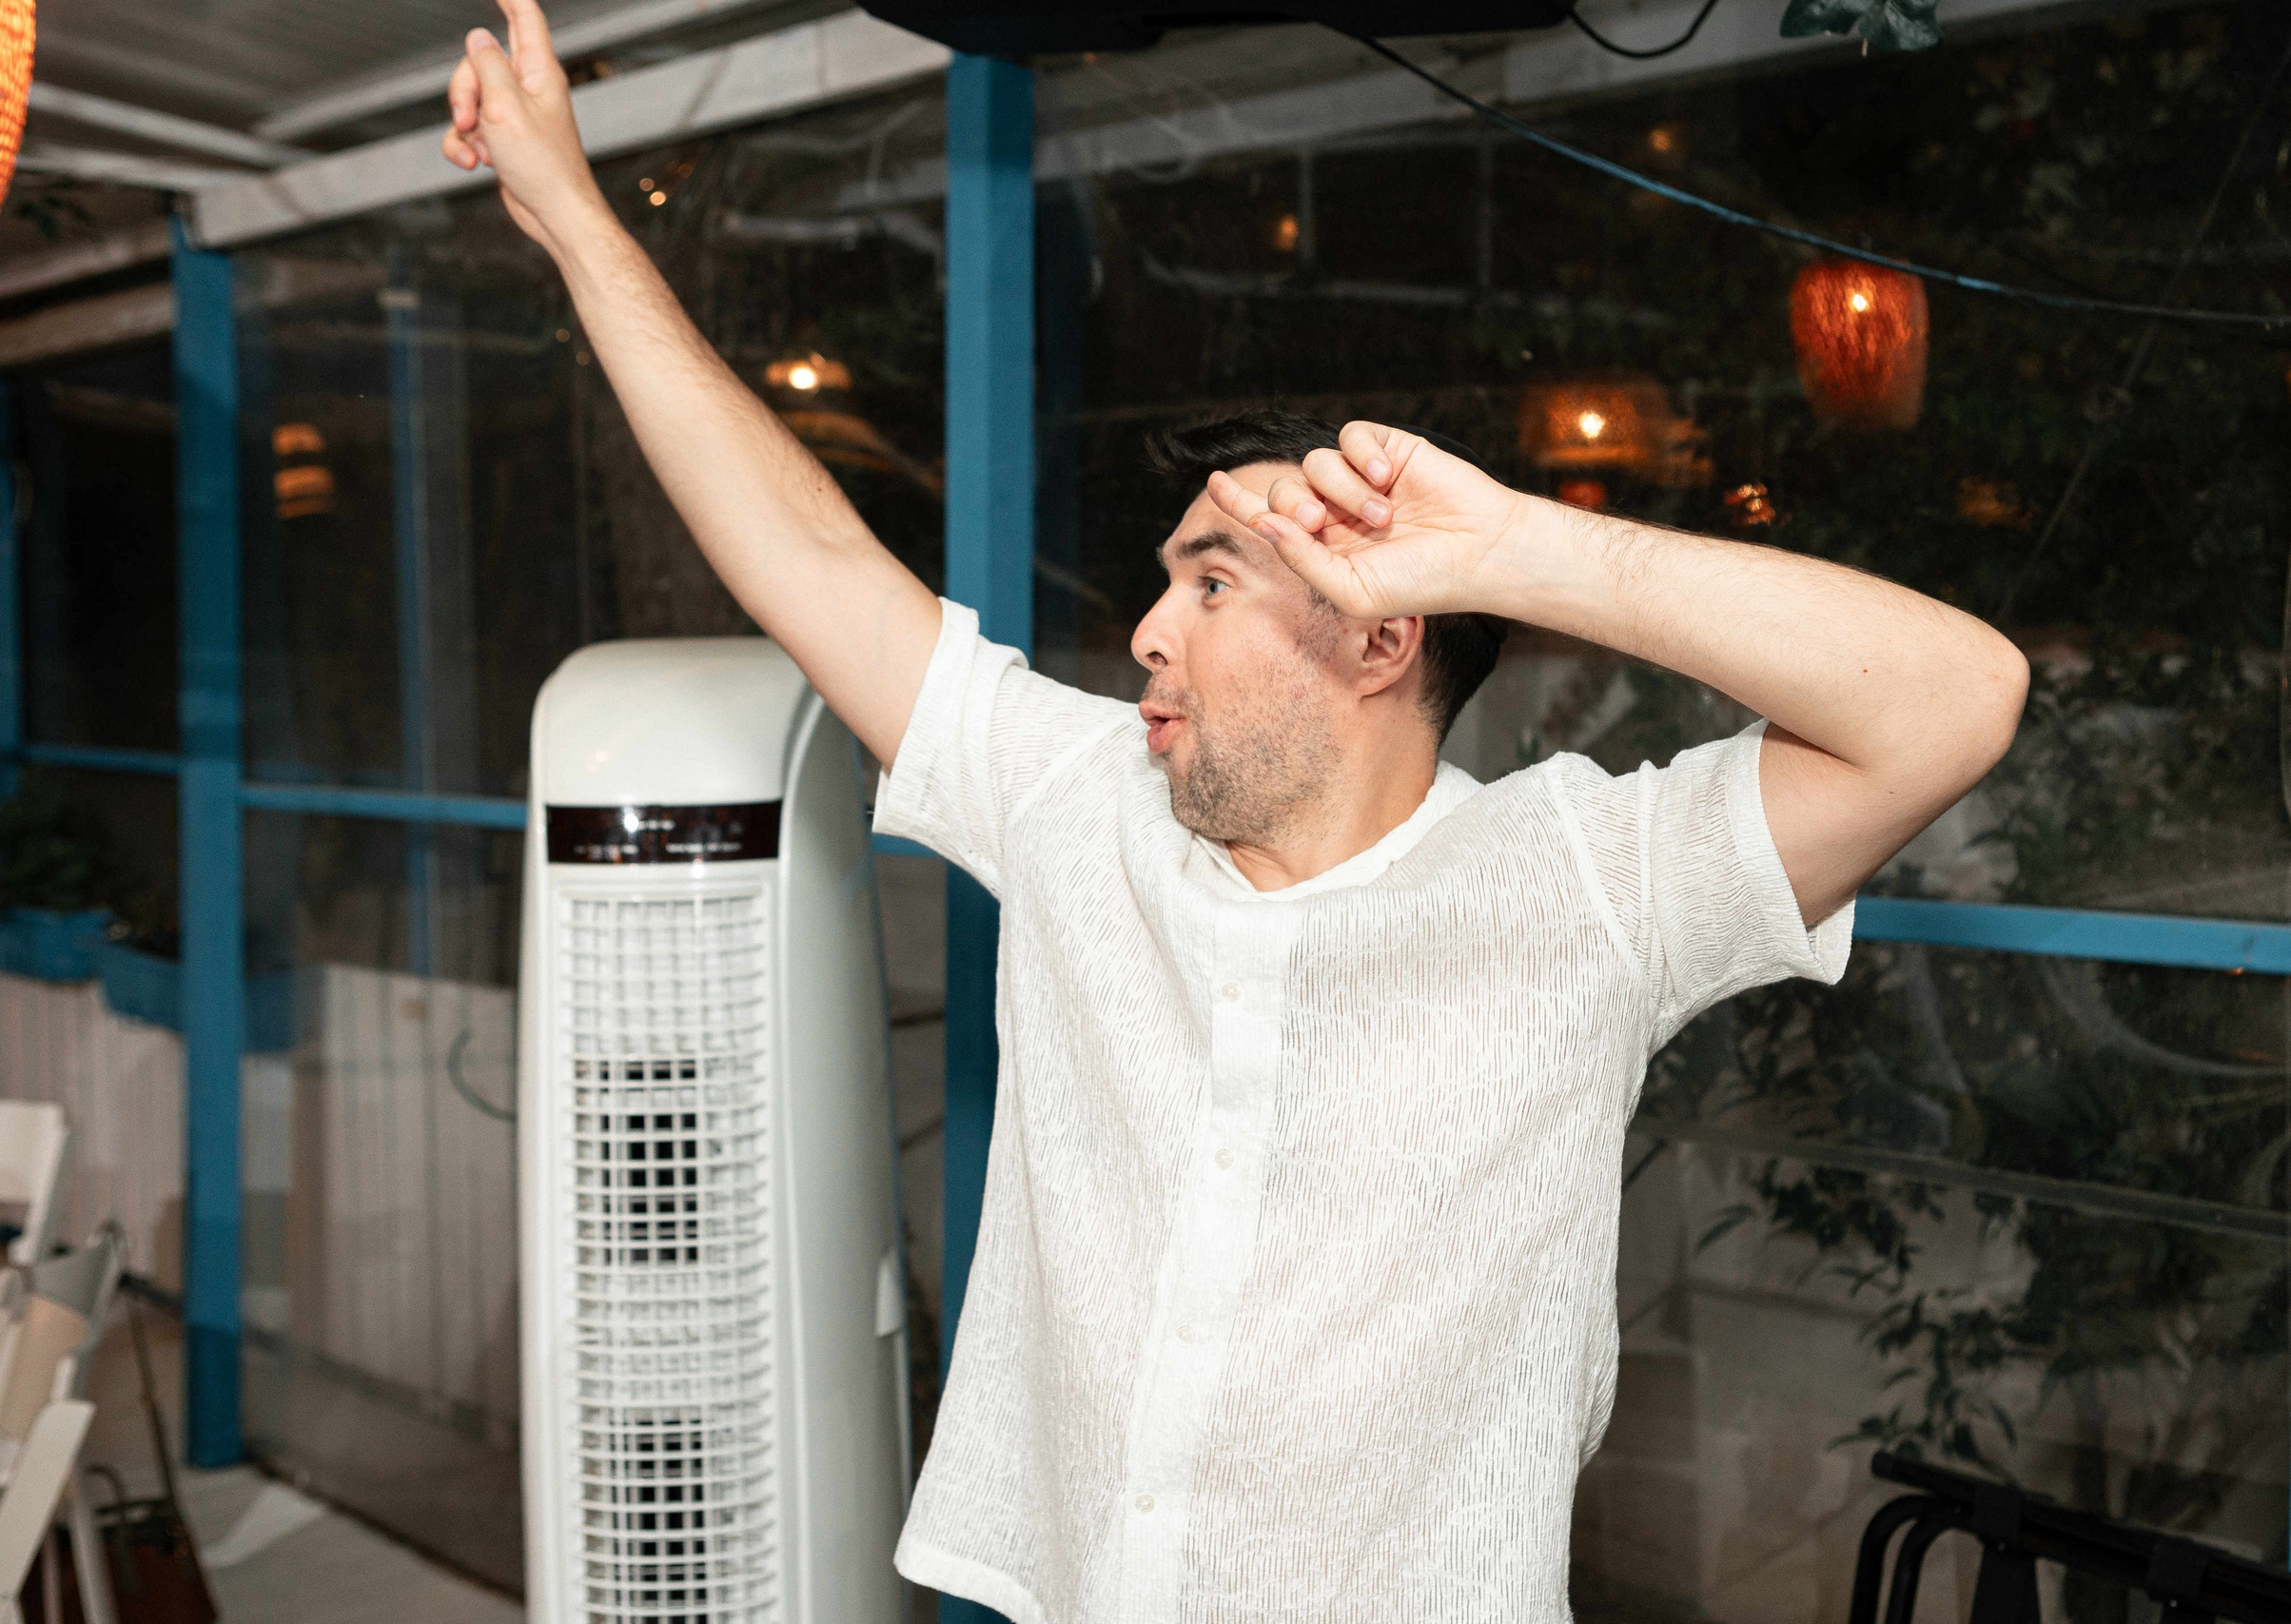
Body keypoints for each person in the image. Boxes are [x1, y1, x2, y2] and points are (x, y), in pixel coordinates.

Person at [444, 3, 2028, 1616]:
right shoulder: (1079, 803)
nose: (1148, 630)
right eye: (1164, 583)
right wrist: (570, 210)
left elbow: (1954, 702)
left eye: (1210, 583)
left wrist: (1517, 550)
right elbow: (805, 558)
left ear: (1382, 630)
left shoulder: (1585, 881)